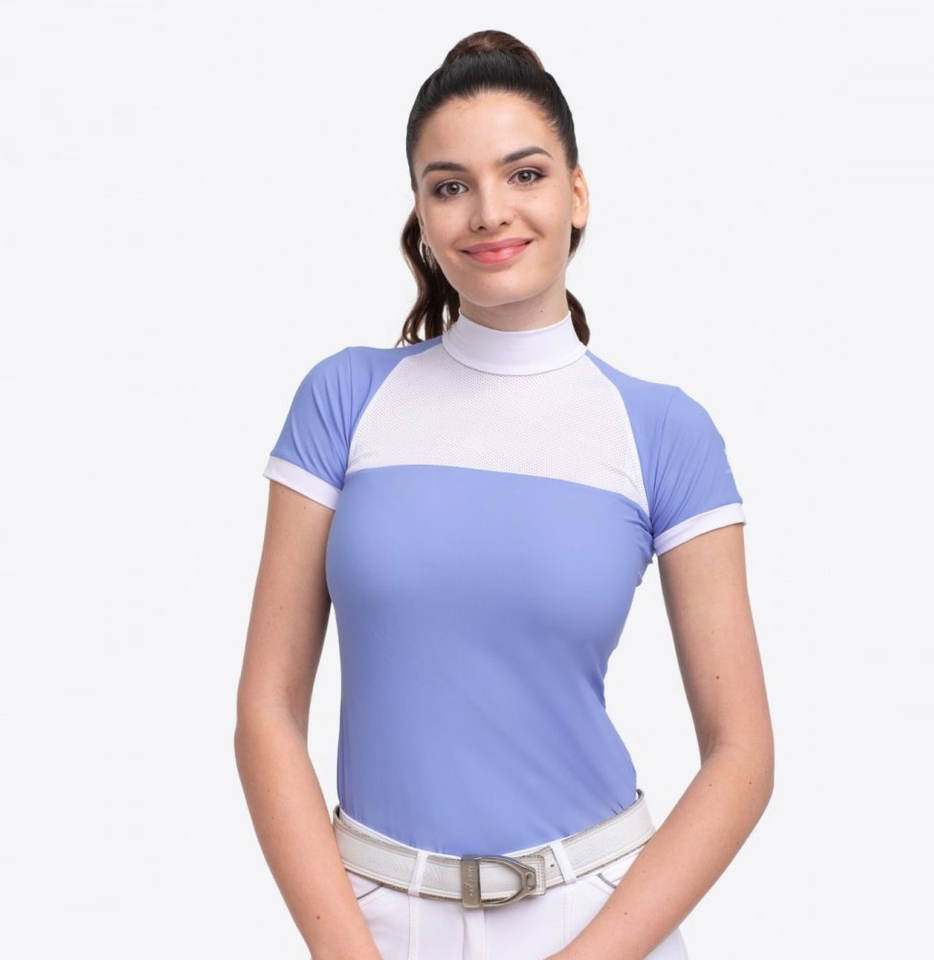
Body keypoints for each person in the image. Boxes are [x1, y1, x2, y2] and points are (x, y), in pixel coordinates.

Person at [236, 29, 774, 960]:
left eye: (524, 174)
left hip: (599, 919)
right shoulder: (346, 398)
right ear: (421, 211)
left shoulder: (663, 431)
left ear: (577, 193)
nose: (490, 212)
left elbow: (743, 755)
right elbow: (266, 716)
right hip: (371, 918)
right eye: (451, 186)